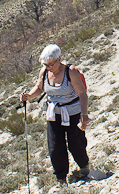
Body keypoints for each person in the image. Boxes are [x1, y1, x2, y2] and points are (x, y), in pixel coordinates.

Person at [20, 44, 90, 184]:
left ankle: (84, 167)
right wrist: (28, 96)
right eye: (46, 64)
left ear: (59, 59)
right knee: (55, 146)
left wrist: (84, 114)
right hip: (54, 114)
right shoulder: (44, 72)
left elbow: (82, 93)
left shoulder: (70, 72)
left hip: (73, 113)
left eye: (51, 64)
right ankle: (61, 178)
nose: (48, 67)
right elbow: (40, 88)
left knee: (76, 143)